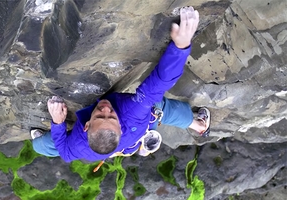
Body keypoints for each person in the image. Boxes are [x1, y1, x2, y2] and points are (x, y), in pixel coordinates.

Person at [32, 6, 210, 163]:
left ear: (86, 126)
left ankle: (140, 146)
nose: (106, 109)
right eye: (111, 117)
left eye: (99, 116)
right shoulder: (132, 112)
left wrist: (58, 122)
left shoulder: (79, 147)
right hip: (138, 127)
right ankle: (198, 125)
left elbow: (64, 153)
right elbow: (158, 84)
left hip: (120, 143)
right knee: (157, 105)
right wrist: (180, 47)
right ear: (119, 128)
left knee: (43, 146)